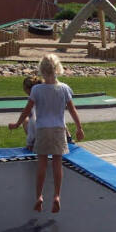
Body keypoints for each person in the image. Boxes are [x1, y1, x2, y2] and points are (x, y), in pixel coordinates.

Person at [9, 54, 84, 213]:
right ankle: (57, 195)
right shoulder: (64, 88)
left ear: (41, 70)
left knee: (42, 164)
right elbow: (72, 110)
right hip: (58, 130)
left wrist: (16, 124)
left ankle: (39, 196)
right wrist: (79, 128)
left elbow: (27, 110)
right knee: (57, 163)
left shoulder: (36, 89)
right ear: (58, 69)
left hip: (42, 130)